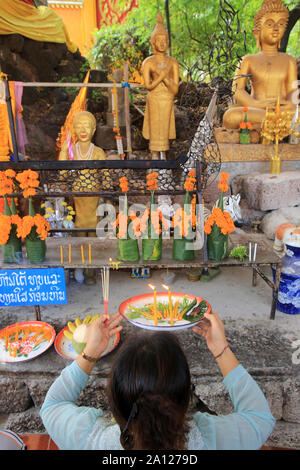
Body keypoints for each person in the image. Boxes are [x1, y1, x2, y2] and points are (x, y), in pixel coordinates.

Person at [40, 310, 275, 450]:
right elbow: (260, 418)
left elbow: (52, 405)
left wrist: (90, 352)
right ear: (186, 395)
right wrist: (220, 349)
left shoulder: (91, 439)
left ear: (114, 394)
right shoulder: (210, 440)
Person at [222, 0, 298, 130]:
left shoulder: (289, 60)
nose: (275, 29)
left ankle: (266, 125)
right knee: (230, 116)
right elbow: (237, 90)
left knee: (294, 113)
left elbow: (293, 91)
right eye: (269, 24)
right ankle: (271, 125)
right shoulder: (248, 60)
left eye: (280, 24)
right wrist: (256, 104)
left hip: (282, 112)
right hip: (257, 110)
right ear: (257, 32)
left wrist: (290, 105)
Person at [59, 110, 106, 285]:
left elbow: (107, 179)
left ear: (93, 129)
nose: (83, 129)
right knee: (79, 231)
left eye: (87, 125)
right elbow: (63, 174)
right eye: (79, 126)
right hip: (78, 197)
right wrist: (64, 152)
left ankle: (91, 271)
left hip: (93, 197)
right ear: (74, 130)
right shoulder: (72, 151)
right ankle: (82, 267)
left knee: (93, 232)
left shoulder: (99, 152)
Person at [142, 13, 179, 160]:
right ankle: (154, 156)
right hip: (155, 98)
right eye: (159, 40)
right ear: (153, 43)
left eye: (165, 40)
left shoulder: (173, 62)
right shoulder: (148, 62)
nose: (162, 43)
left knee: (165, 130)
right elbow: (148, 86)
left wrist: (164, 77)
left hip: (167, 99)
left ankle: (163, 156)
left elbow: (175, 89)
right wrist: (162, 76)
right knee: (155, 130)